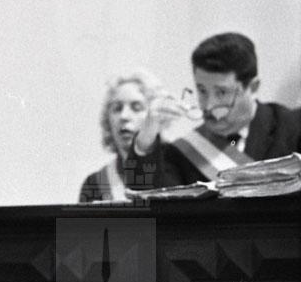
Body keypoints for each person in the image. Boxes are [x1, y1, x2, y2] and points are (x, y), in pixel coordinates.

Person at [128, 32, 301, 188]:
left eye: (222, 92)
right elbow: (143, 198)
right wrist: (145, 140)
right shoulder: (183, 153)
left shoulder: (292, 129)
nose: (209, 106)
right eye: (202, 91)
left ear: (253, 87)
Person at [78, 70, 163, 202]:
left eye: (136, 108)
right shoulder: (96, 184)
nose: (124, 116)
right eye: (117, 108)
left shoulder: (174, 170)